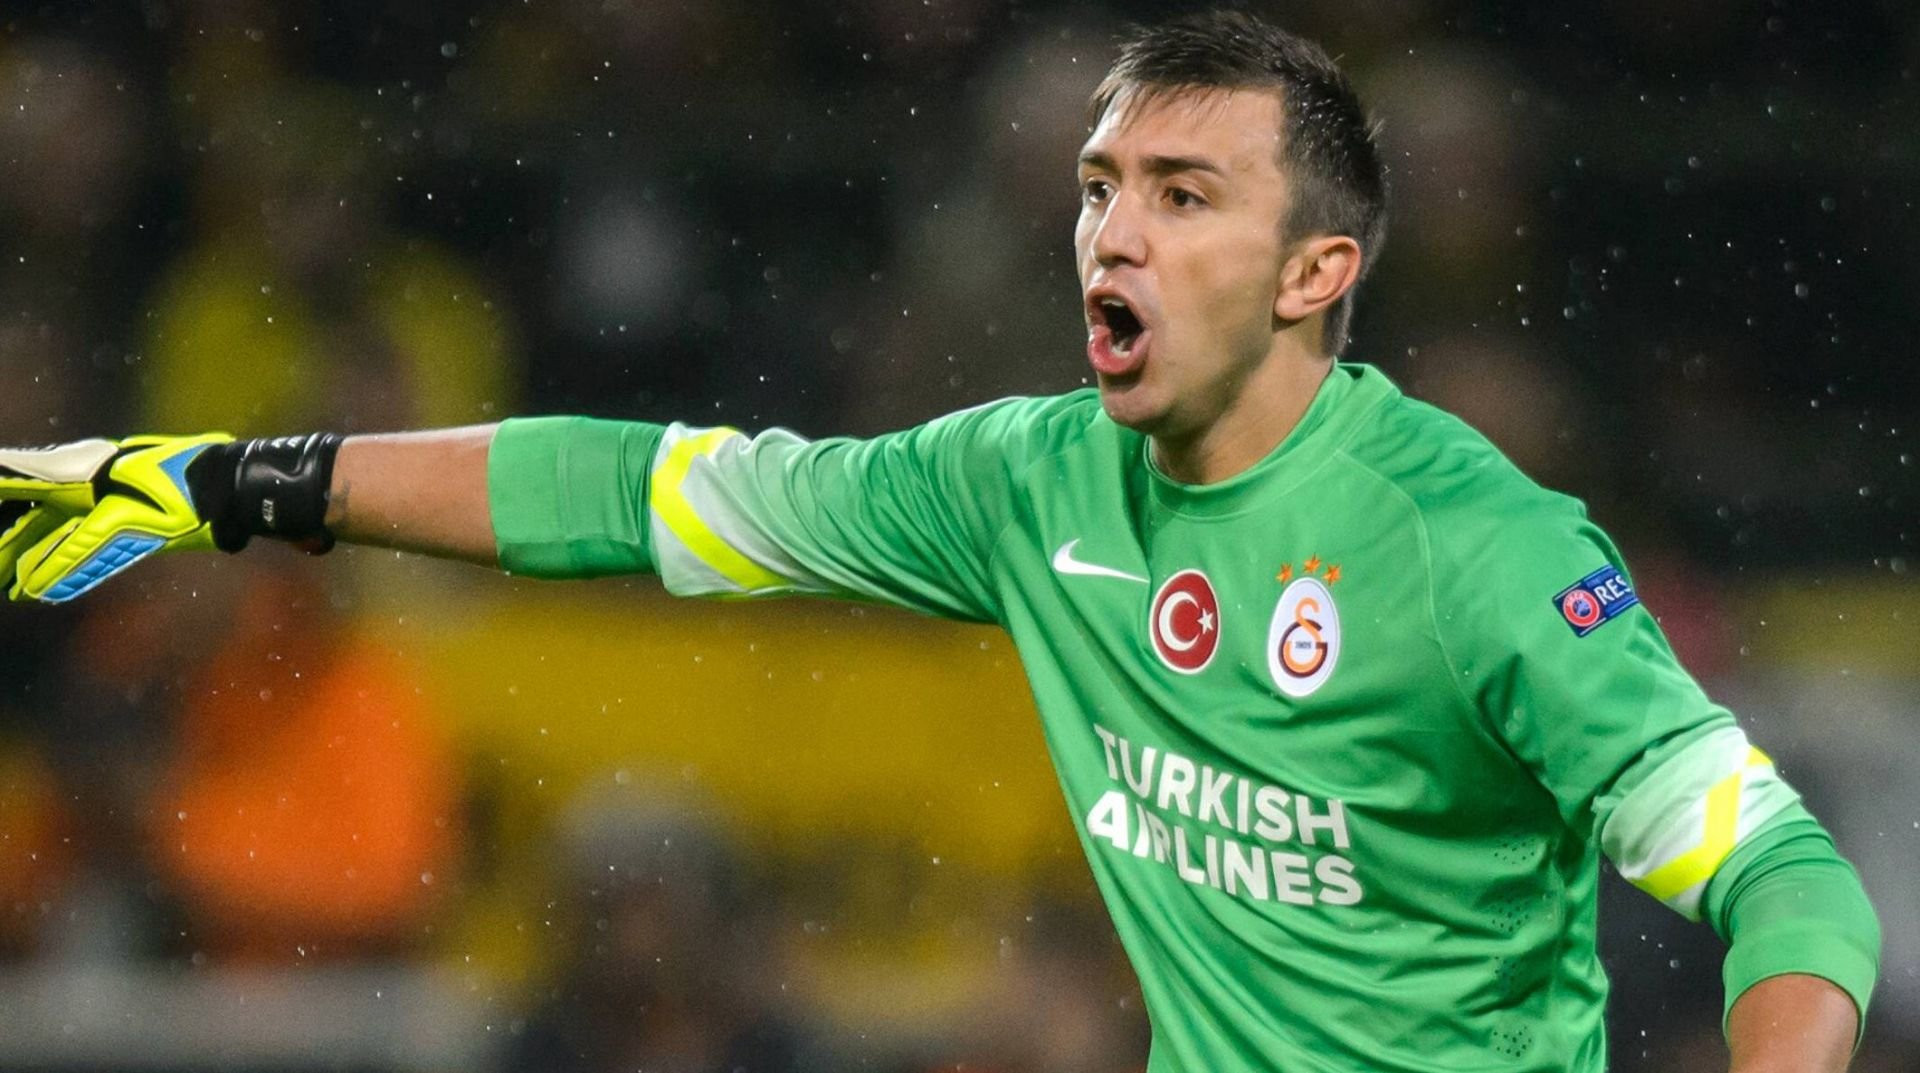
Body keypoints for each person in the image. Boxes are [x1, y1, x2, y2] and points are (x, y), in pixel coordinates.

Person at [0, 11, 1879, 1073]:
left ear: (1318, 271)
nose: (1112, 235)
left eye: (1183, 195)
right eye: (1099, 189)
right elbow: (637, 491)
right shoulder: (1026, 481)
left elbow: (1797, 886)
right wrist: (235, 480)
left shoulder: (1476, 546)